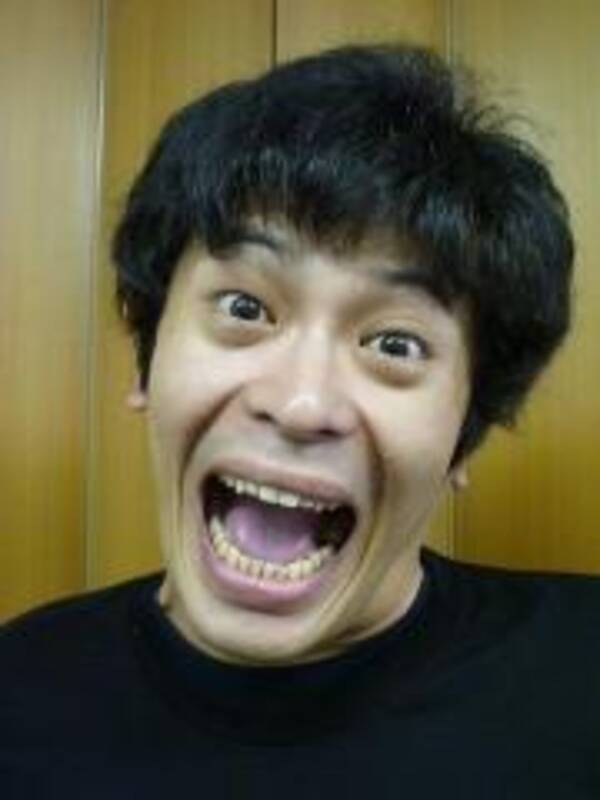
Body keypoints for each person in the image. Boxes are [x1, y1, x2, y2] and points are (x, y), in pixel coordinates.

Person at [2, 43, 599, 798]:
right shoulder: (17, 694)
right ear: (146, 360)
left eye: (395, 345)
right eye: (246, 307)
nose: (300, 404)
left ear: (464, 432)